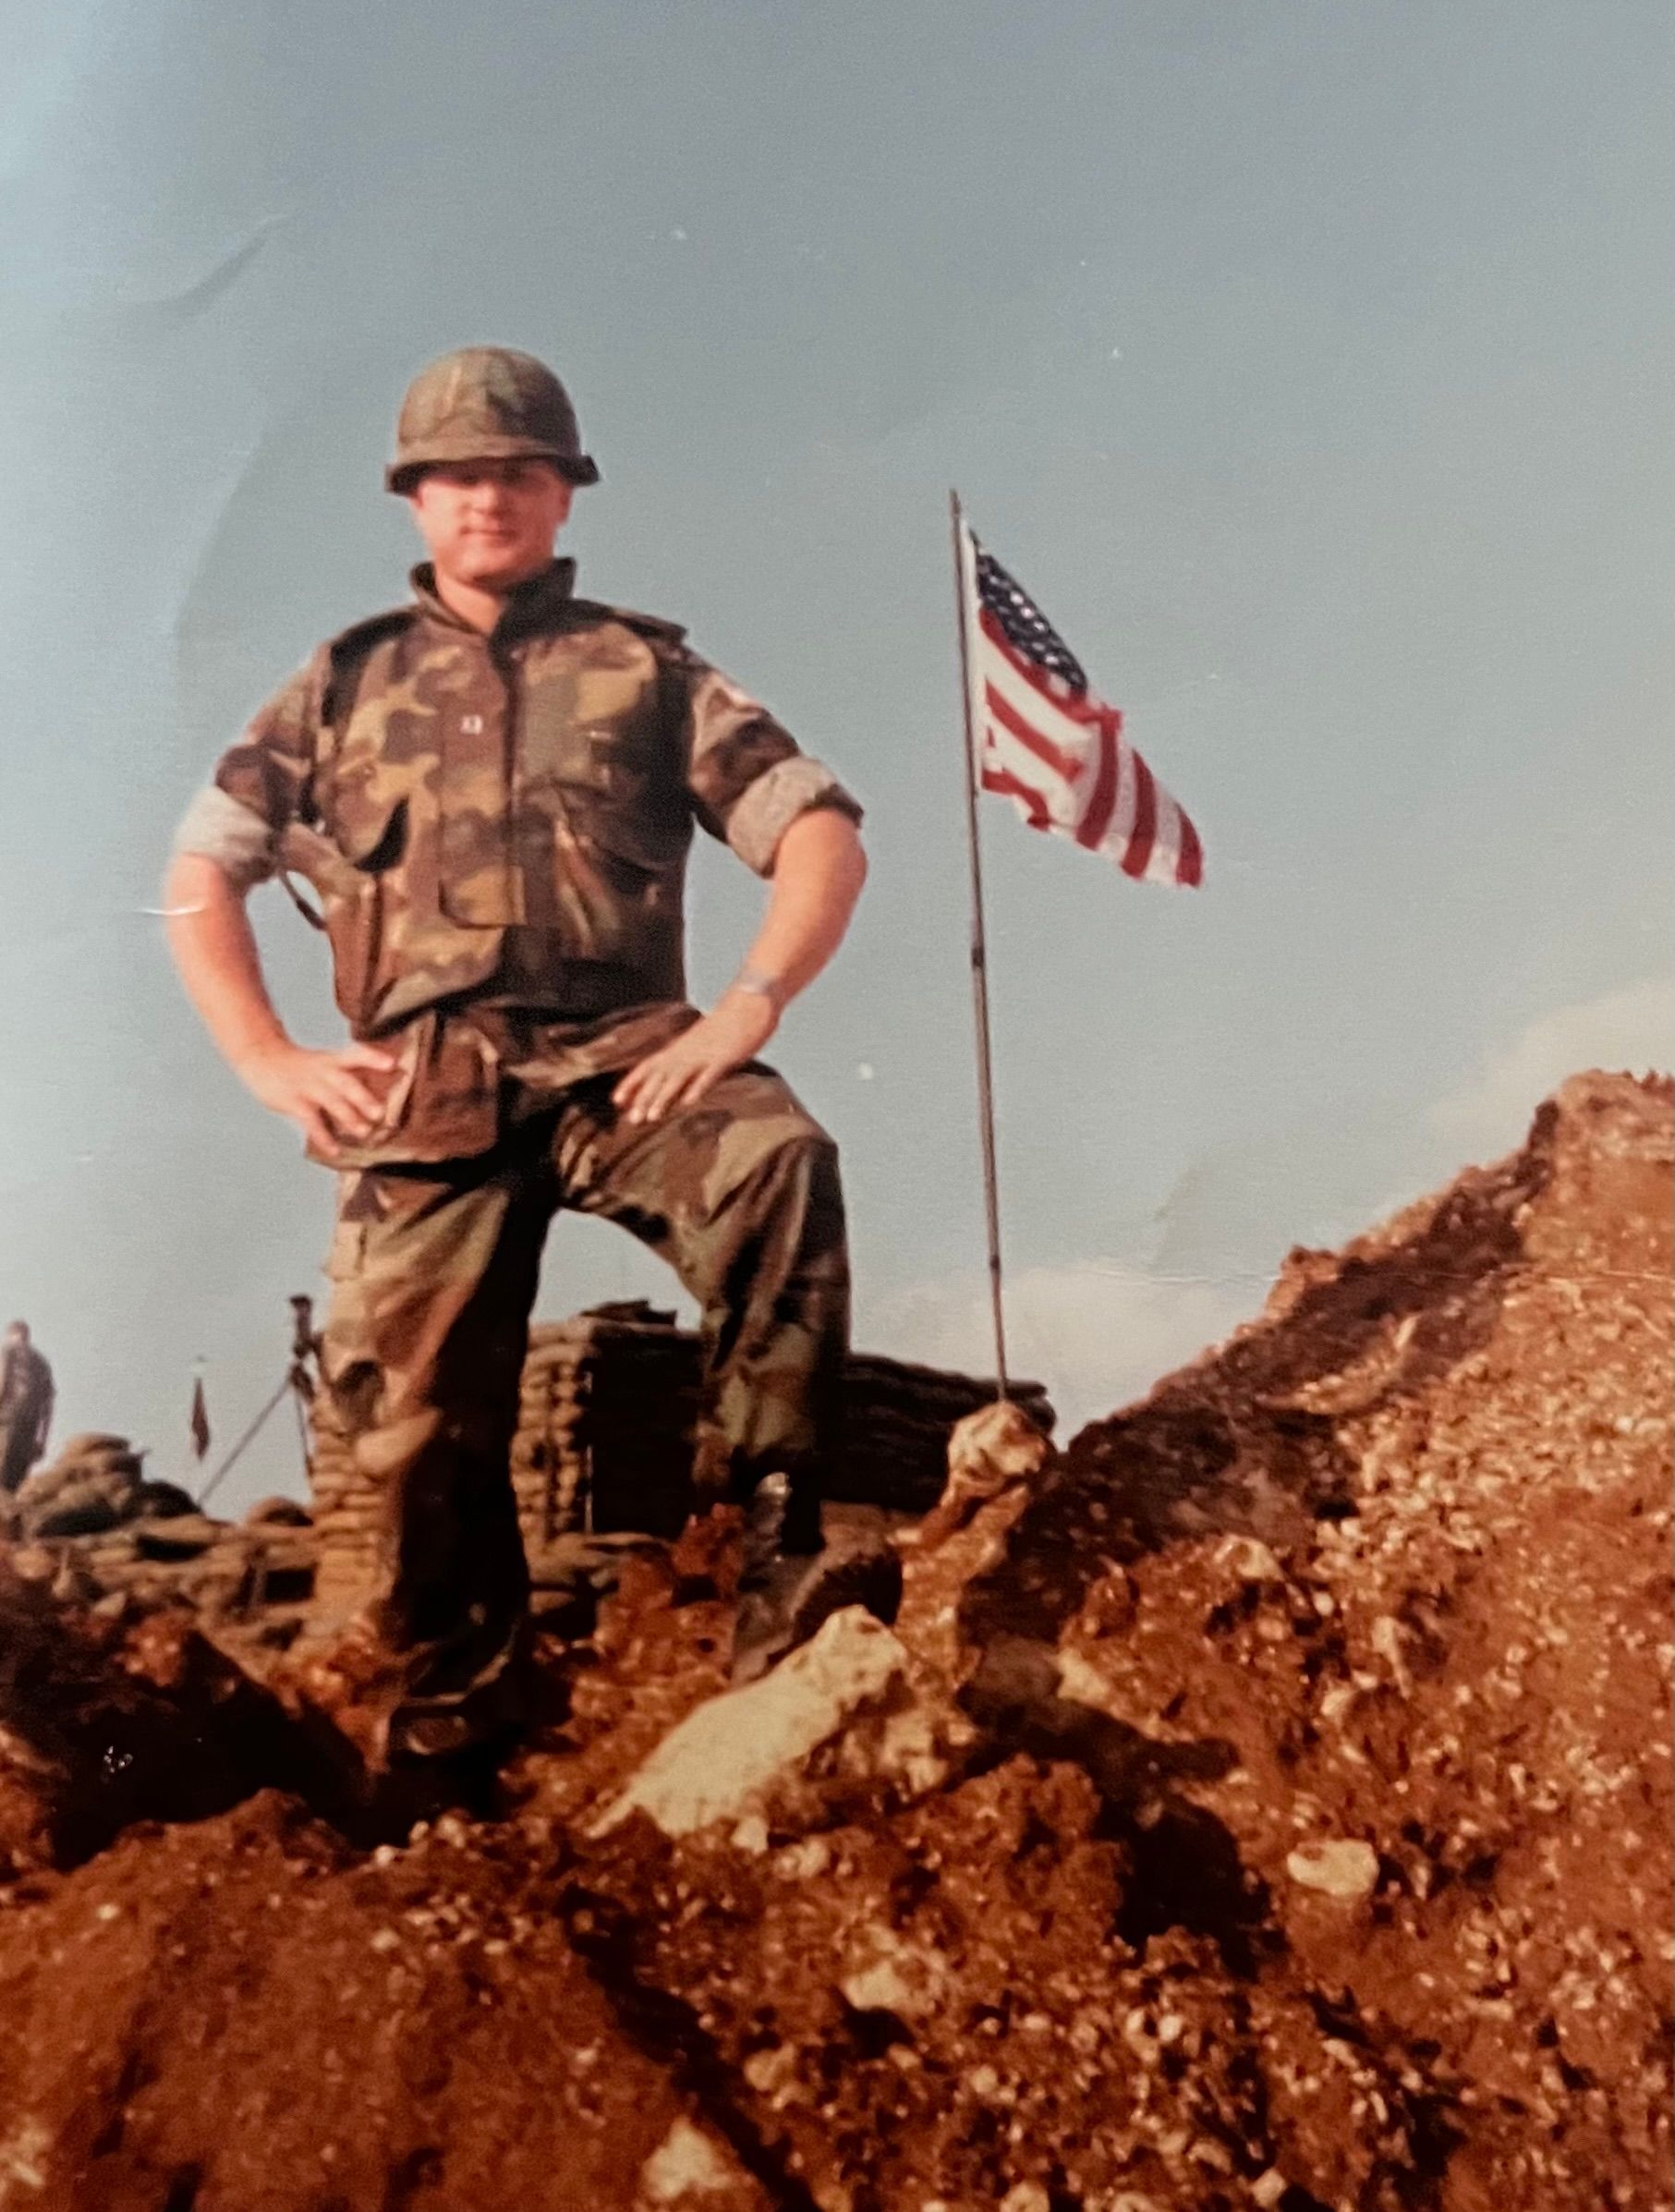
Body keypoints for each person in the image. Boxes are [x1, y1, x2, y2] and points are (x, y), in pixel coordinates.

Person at [164, 346, 890, 1768]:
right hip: (423, 1087)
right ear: (414, 500)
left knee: (777, 1161)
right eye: (457, 476)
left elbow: (820, 835)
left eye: (517, 471)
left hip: (628, 1060)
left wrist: (746, 1009)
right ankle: (460, 1689)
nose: (486, 497)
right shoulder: (339, 683)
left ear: (562, 494)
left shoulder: (647, 670)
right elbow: (202, 869)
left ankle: (770, 1546)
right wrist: (267, 1057)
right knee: (406, 1421)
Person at [0, 1320, 55, 1496]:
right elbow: (48, 1406)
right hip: (31, 1425)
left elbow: (2, 1383)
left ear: (11, 1334)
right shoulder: (42, 1363)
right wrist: (43, 1440)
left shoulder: (8, 1351)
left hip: (8, 1419)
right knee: (17, 1480)